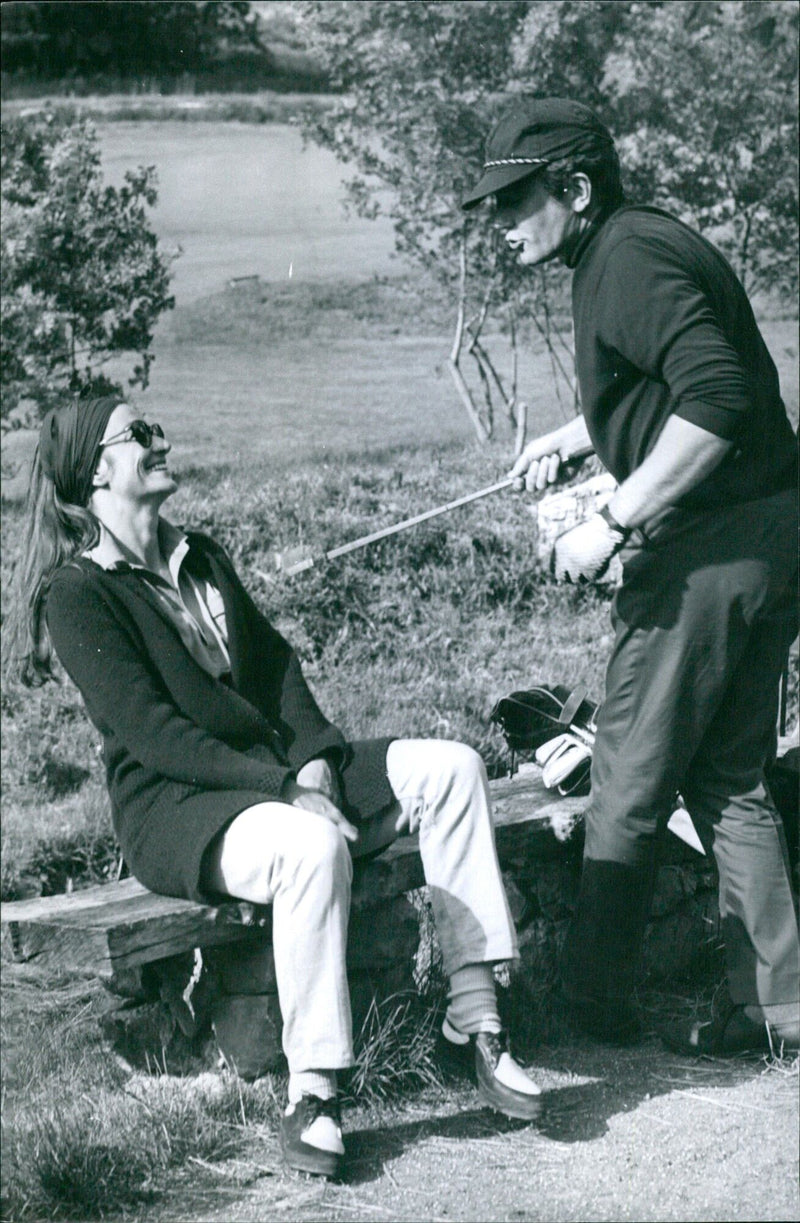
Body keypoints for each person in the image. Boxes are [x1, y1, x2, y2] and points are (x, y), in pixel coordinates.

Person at [11, 395, 542, 1180]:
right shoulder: (78, 593)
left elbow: (280, 671)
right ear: (96, 471)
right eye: (140, 435)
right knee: (312, 842)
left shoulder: (200, 555)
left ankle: (475, 1021)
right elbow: (153, 733)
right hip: (177, 806)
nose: (161, 441)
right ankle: (316, 1090)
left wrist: (319, 759)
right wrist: (287, 787)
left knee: (455, 769)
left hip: (274, 776)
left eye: (157, 427)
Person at [462, 97, 799, 1056]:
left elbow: (721, 399)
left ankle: (589, 1013)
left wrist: (613, 517)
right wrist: (582, 438)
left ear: (575, 187)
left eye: (515, 199)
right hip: (772, 535)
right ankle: (778, 1009)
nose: (501, 222)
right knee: (727, 774)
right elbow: (684, 381)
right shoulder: (630, 245)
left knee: (627, 774)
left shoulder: (626, 259)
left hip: (711, 555)